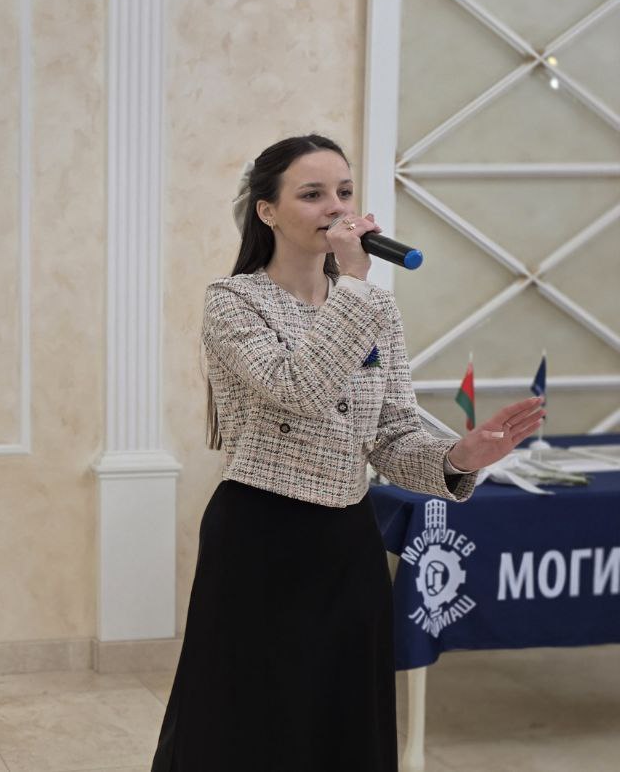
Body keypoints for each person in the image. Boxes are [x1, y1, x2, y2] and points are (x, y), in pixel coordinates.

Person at [150, 135, 543, 772]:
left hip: (347, 541)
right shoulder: (234, 301)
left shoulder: (375, 309)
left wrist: (461, 457)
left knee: (342, 716)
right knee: (253, 718)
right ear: (267, 211)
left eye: (345, 191)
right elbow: (298, 389)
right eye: (312, 194)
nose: (336, 207)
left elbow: (392, 436)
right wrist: (354, 285)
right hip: (261, 535)